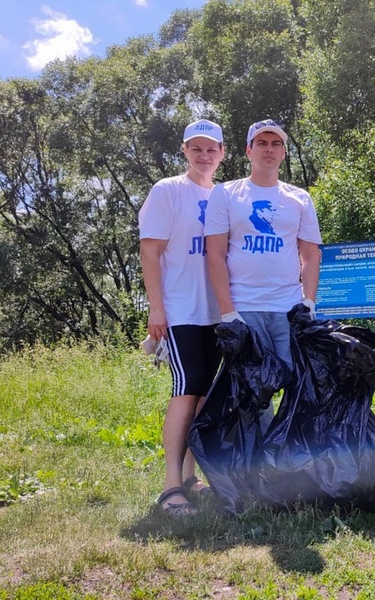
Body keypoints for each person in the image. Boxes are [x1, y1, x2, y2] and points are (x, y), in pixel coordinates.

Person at [204, 119, 322, 428]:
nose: (269, 149)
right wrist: (227, 312)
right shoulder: (226, 194)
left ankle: (292, 457)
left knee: (300, 381)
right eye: (262, 143)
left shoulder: (299, 198)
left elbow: (310, 255)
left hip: (287, 308)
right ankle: (261, 465)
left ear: (283, 153)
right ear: (248, 150)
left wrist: (308, 303)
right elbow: (214, 255)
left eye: (275, 144)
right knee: (253, 390)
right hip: (244, 309)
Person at [139, 118, 226, 516]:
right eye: (197, 148)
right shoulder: (169, 190)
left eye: (211, 148)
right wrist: (157, 310)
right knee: (185, 390)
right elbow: (151, 252)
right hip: (181, 310)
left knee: (205, 396)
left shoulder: (225, 195)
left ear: (222, 153)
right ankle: (171, 487)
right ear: (185, 151)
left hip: (217, 314)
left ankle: (192, 478)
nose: (204, 155)